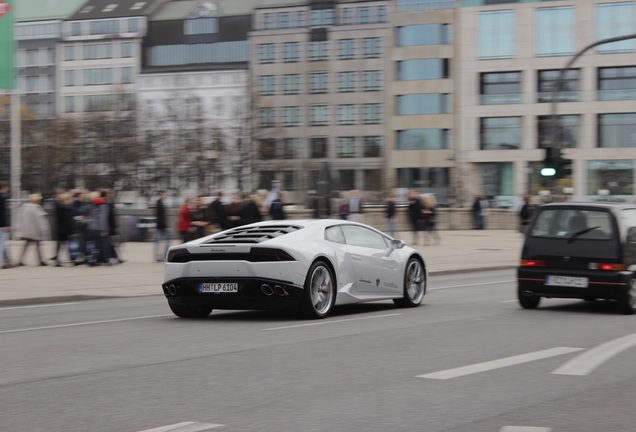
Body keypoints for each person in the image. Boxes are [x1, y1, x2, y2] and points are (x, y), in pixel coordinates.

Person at [18, 193, 50, 266]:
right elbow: (40, 220)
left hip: (27, 229)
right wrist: (43, 230)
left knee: (26, 245)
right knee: (38, 246)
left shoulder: (24, 207)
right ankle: (41, 260)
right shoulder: (36, 208)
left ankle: (20, 260)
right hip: (35, 230)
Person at [86, 190, 110, 266]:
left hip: (92, 227)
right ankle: (106, 260)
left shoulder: (91, 205)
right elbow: (103, 218)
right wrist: (104, 229)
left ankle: (93, 260)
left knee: (96, 244)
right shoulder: (103, 206)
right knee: (104, 244)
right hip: (100, 227)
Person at [53, 192, 75, 267]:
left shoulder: (60, 208)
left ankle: (58, 259)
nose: (70, 201)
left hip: (61, 230)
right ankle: (67, 259)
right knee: (64, 245)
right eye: (68, 200)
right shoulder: (64, 209)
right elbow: (68, 221)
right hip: (65, 230)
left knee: (61, 245)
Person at [154, 190, 170, 261]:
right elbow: (159, 216)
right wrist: (163, 225)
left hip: (162, 225)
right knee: (160, 241)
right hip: (161, 226)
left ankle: (162, 256)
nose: (165, 196)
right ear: (160, 195)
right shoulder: (159, 203)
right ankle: (159, 256)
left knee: (162, 241)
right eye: (163, 195)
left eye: (165, 195)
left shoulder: (162, 203)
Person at [0, 181, 11, 269]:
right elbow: (3, 213)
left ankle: (6, 260)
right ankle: (5, 261)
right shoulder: (3, 198)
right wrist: (6, 225)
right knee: (3, 244)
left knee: (3, 244)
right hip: (2, 224)